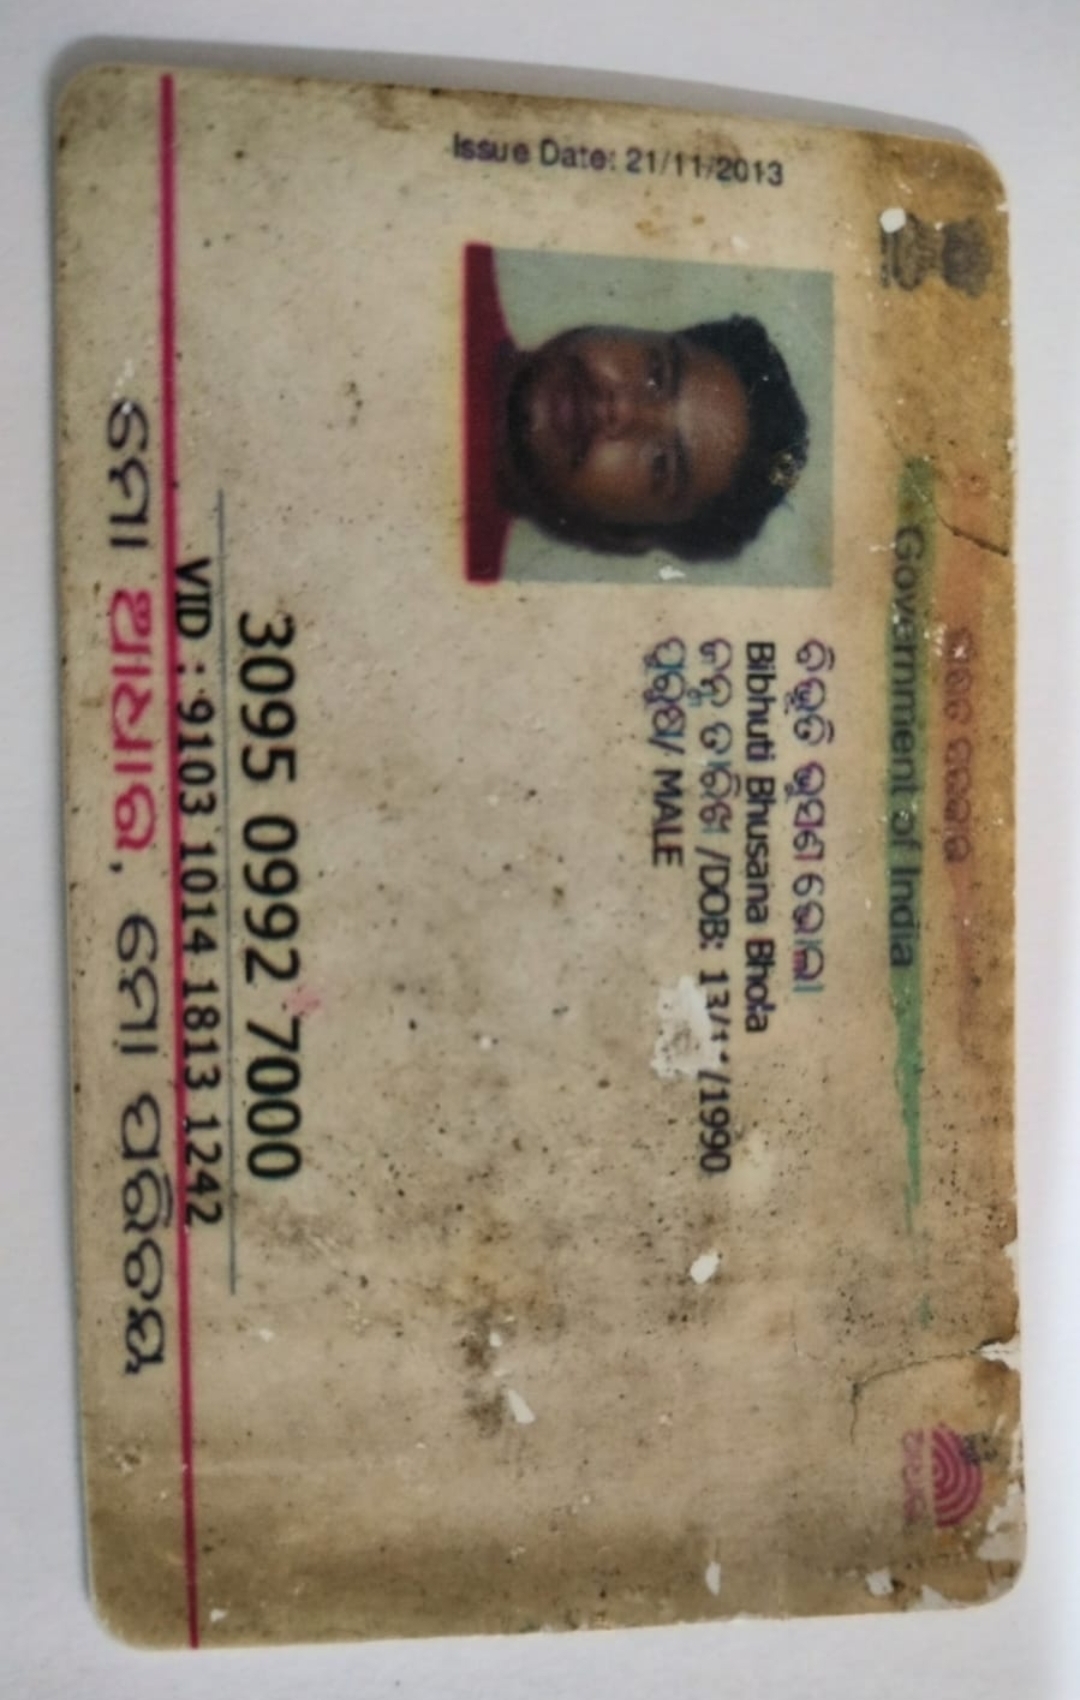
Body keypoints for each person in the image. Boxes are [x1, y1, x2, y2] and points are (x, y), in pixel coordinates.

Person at [463, 243, 809, 582]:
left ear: (620, 536)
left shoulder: (462, 584)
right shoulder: (461, 262)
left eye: (660, 465)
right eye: (656, 375)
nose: (623, 411)